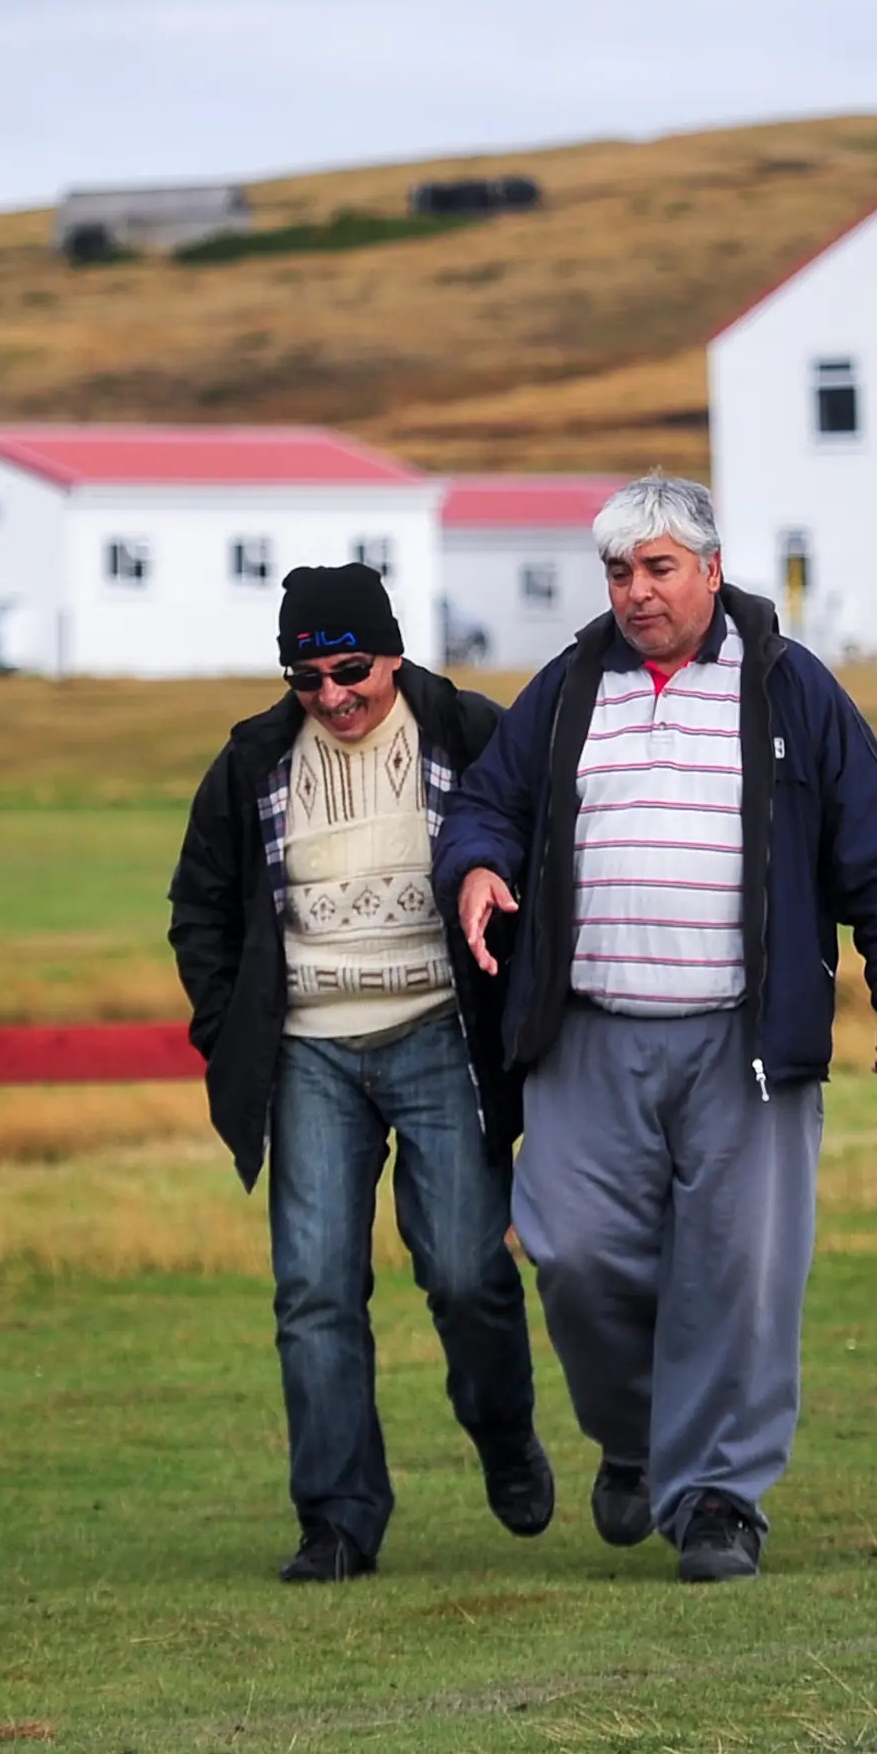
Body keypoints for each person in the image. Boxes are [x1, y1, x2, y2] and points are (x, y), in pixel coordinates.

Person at [436, 476, 877, 1583]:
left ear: (711, 571)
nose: (636, 592)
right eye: (619, 571)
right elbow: (491, 800)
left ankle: (721, 1497)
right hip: (588, 1030)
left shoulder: (788, 688)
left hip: (744, 1039)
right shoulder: (570, 686)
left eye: (659, 568)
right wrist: (477, 863)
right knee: (570, 1249)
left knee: (739, 1271)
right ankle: (637, 1437)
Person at [167, 562, 556, 1583]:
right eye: (308, 677)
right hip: (308, 1049)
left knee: (468, 1268)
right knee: (314, 1287)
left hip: (438, 1028)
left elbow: (545, 856)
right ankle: (338, 1517)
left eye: (352, 669)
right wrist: (230, 1030)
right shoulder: (252, 760)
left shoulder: (472, 733)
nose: (334, 695)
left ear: (392, 652)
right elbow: (198, 905)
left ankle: (502, 1430)